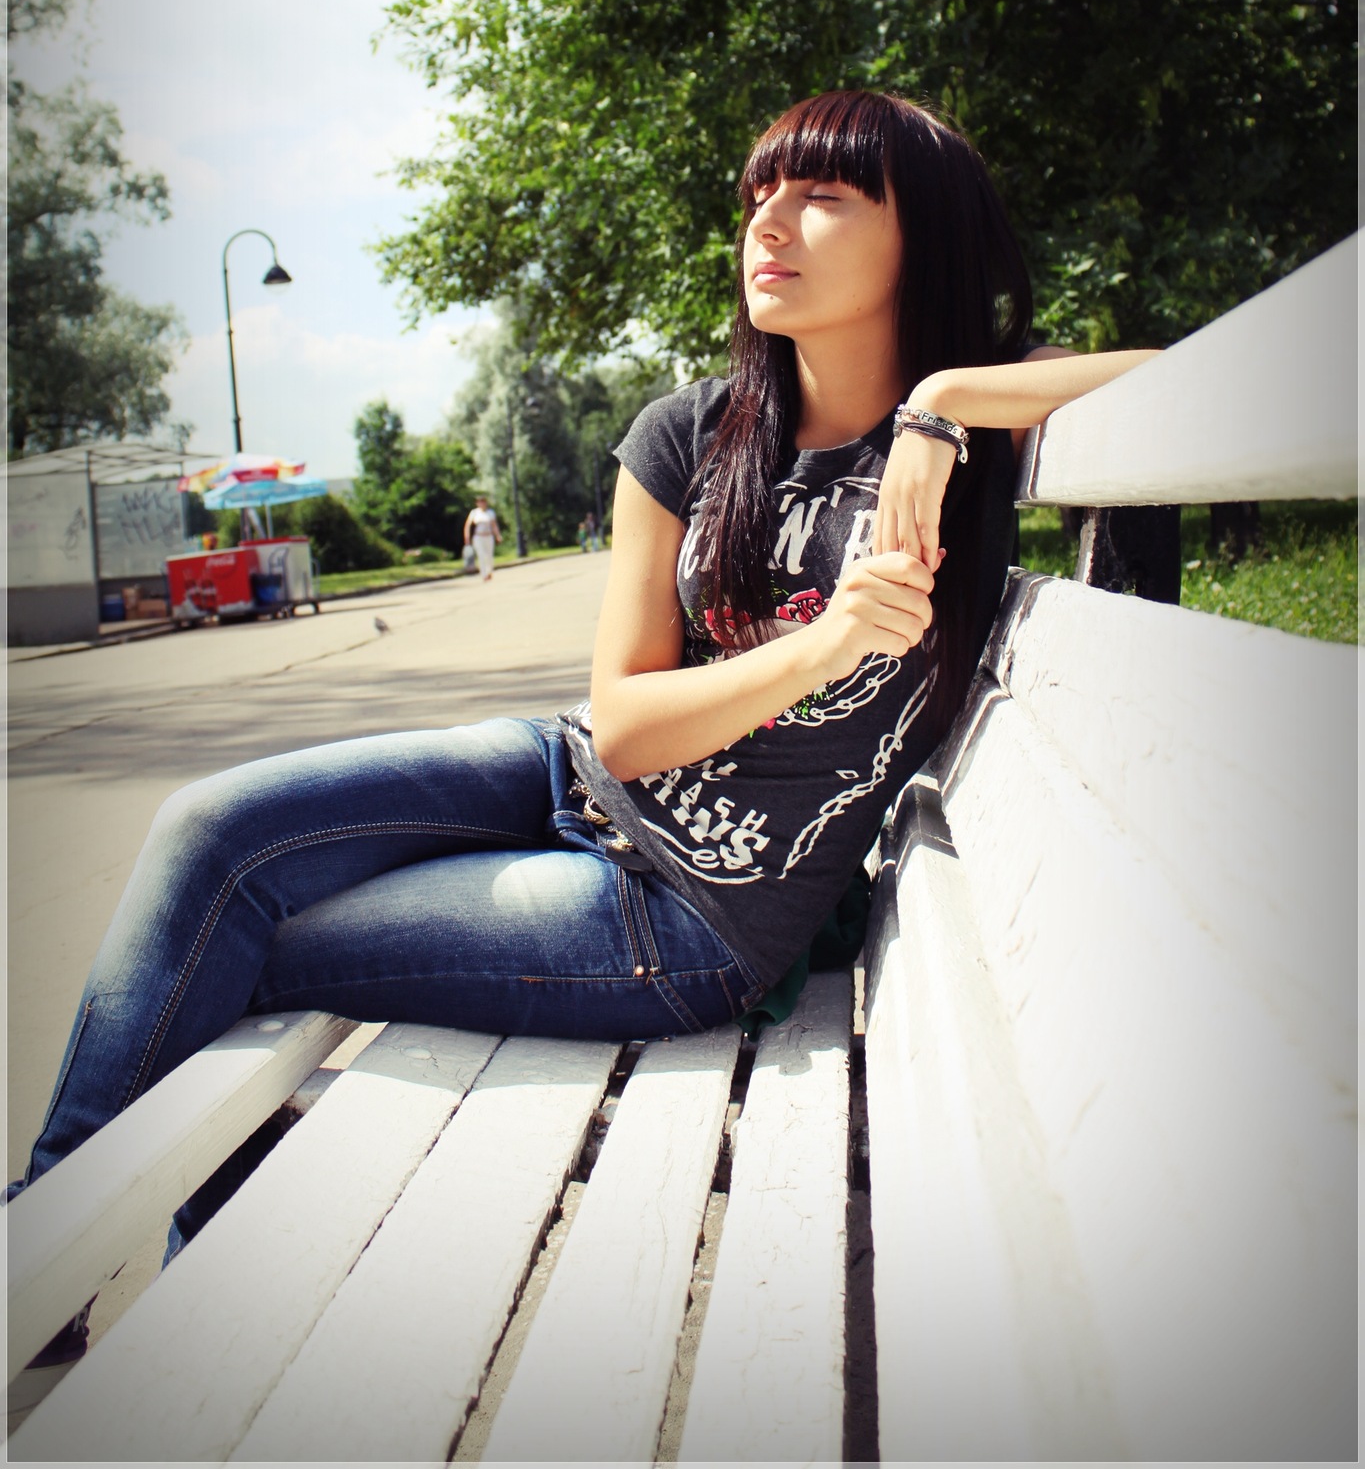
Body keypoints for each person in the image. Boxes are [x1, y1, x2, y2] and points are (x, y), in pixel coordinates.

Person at [10, 90, 1157, 1396]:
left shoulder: (970, 435)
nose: (769, 223)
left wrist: (942, 401)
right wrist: (825, 645)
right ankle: (47, 1251)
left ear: (923, 238)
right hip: (573, 774)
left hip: (686, 914)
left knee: (251, 952)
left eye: (824, 197)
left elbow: (1177, 374)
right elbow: (626, 718)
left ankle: (152, 1292)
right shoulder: (691, 432)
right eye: (759, 196)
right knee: (209, 833)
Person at [462, 494, 502, 583]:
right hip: (478, 537)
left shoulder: (490, 512)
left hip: (488, 536)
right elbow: (468, 525)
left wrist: (498, 535)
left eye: (483, 502)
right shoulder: (474, 513)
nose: (482, 504)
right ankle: (484, 574)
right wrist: (467, 537)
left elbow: (494, 525)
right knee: (481, 555)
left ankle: (489, 571)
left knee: (489, 556)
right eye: (479, 502)